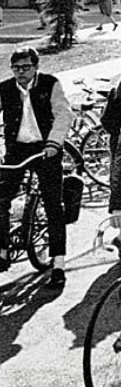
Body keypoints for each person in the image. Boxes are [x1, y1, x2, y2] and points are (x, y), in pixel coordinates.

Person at [0, 48, 72, 286]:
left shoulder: (50, 84)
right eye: (16, 68)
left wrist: (54, 143)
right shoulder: (6, 88)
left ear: (35, 67)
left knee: (53, 203)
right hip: (17, 149)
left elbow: (63, 114)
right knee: (1, 198)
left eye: (26, 67)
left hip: (46, 148)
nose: (21, 73)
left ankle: (58, 262)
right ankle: (2, 250)